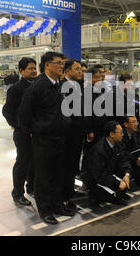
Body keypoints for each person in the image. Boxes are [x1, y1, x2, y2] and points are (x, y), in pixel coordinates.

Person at [18, 51, 73, 225]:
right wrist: (33, 131)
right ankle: (45, 210)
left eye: (62, 63)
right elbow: (24, 115)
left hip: (59, 137)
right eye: (58, 63)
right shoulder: (37, 87)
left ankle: (57, 205)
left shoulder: (58, 85)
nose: (61, 67)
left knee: (57, 173)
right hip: (43, 139)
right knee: (43, 176)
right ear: (47, 65)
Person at [2, 57, 37, 207]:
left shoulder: (37, 86)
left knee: (33, 162)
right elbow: (7, 111)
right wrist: (18, 126)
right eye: (30, 68)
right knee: (22, 163)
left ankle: (31, 187)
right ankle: (17, 193)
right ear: (21, 71)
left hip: (35, 132)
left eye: (35, 68)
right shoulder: (16, 89)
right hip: (23, 133)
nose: (34, 71)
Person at [81, 121, 132, 206]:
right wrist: (118, 183)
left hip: (108, 173)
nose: (123, 135)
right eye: (121, 133)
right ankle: (94, 195)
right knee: (113, 196)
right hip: (94, 179)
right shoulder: (98, 150)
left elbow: (124, 161)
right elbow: (99, 175)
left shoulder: (117, 144)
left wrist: (127, 174)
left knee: (125, 183)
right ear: (112, 134)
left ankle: (115, 193)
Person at [59, 59, 85, 212]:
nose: (80, 72)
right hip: (68, 132)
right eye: (77, 69)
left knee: (74, 163)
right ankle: (63, 195)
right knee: (65, 164)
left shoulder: (80, 85)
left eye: (81, 69)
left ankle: (70, 189)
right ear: (67, 71)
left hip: (78, 131)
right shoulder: (62, 87)